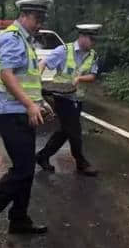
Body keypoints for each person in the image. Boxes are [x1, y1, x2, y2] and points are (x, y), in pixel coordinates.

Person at [0, 0, 54, 243]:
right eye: (38, 19)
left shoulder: (24, 41)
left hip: (21, 112)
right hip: (11, 113)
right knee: (23, 169)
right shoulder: (11, 38)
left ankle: (19, 219)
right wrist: (29, 105)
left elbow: (25, 78)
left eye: (42, 20)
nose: (39, 24)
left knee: (25, 170)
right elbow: (7, 76)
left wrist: (39, 103)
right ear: (25, 15)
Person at [35, 24, 102, 176]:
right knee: (75, 131)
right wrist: (37, 82)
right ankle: (81, 162)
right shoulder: (64, 50)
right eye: (91, 39)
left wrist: (79, 78)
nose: (93, 43)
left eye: (94, 40)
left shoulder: (93, 55)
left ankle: (42, 156)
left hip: (77, 99)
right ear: (82, 37)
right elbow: (43, 63)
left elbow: (92, 75)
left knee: (65, 131)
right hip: (62, 98)